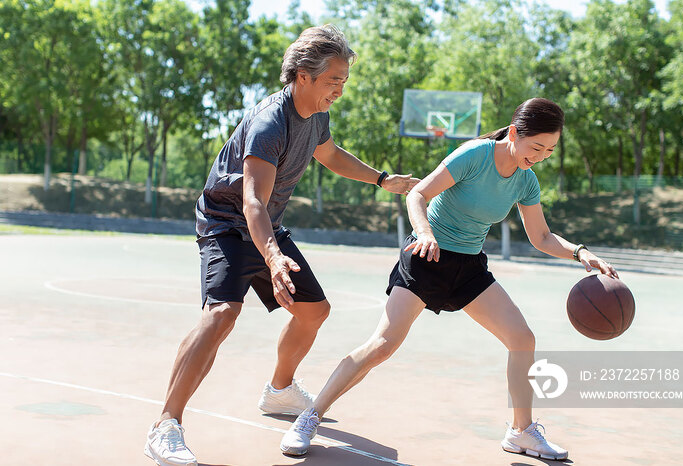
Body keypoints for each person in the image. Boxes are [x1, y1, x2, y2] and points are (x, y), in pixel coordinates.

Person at [280, 98, 619, 461]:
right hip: (427, 256)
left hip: (468, 267)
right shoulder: (475, 155)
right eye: (536, 147)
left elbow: (541, 237)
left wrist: (580, 252)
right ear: (516, 133)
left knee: (522, 339)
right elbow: (418, 193)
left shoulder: (526, 180)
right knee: (382, 344)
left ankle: (522, 431)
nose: (540, 156)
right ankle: (309, 416)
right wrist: (424, 232)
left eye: (549, 151)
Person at [144, 24, 419, 466]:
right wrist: (272, 257)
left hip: (266, 224)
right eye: (334, 81)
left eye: (344, 81)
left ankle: (279, 390)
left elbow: (329, 154)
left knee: (314, 309)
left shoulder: (316, 116)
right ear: (303, 76)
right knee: (221, 315)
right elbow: (252, 200)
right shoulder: (270, 122)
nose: (340, 90)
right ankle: (166, 425)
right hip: (227, 223)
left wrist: (382, 179)